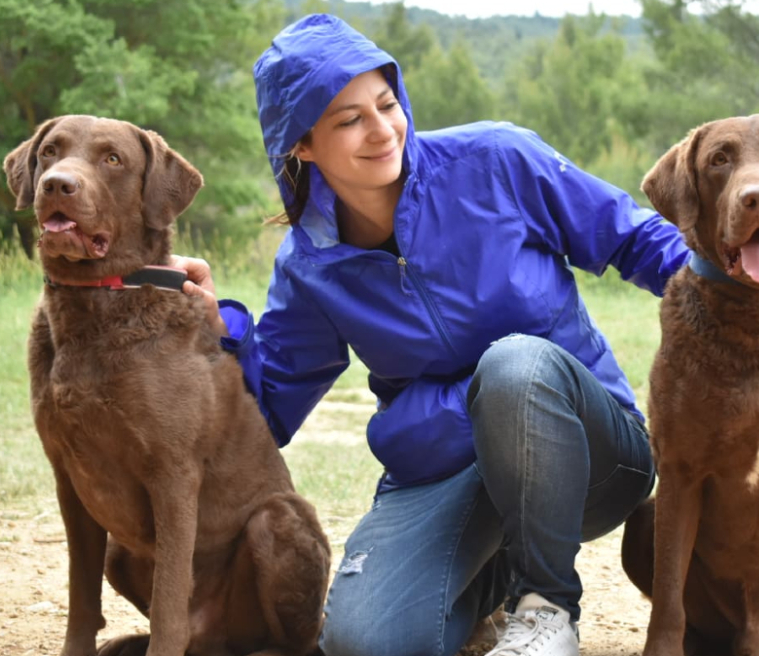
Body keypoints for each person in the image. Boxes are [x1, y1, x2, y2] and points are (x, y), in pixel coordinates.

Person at [177, 13, 690, 656]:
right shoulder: (309, 265)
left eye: (386, 104)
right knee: (365, 642)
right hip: (446, 467)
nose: (382, 129)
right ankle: (491, 588)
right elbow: (267, 409)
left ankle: (546, 609)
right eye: (348, 119)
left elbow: (637, 239)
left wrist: (740, 288)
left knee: (514, 367)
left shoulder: (498, 159)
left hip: (590, 457)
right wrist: (210, 328)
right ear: (302, 145)